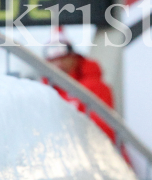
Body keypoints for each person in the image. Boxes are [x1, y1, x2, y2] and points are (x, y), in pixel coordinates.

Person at [44, 38, 133, 167]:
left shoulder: (95, 86)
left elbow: (103, 127)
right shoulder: (46, 90)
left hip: (101, 160)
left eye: (63, 58)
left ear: (74, 58)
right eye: (53, 60)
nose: (58, 64)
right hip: (68, 160)